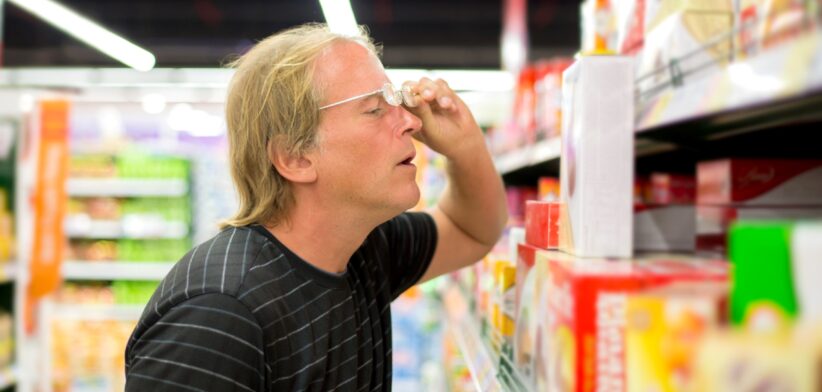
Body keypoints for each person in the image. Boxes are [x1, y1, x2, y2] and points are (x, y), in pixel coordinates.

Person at [124, 23, 506, 391]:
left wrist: (465, 146)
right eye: (375, 109)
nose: (410, 120)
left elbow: (472, 229)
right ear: (295, 157)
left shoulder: (361, 251)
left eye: (397, 102)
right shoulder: (220, 314)